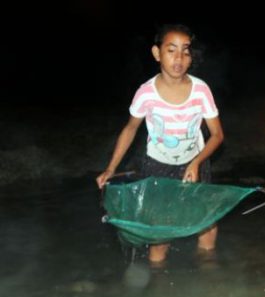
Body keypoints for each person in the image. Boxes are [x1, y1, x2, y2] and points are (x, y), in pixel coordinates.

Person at [96, 24, 224, 265]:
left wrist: (196, 162)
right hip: (157, 166)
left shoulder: (201, 90)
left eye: (185, 51)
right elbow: (131, 128)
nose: (179, 58)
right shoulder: (146, 92)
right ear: (157, 53)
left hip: (194, 163)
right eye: (171, 50)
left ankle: (210, 277)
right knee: (159, 232)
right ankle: (157, 284)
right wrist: (110, 169)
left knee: (205, 223)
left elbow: (217, 135)